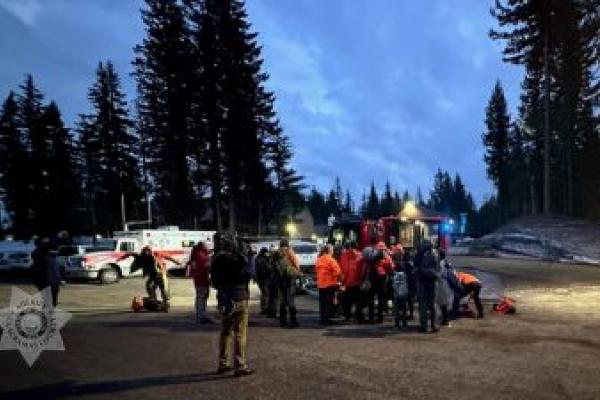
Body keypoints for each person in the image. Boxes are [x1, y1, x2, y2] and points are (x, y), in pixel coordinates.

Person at [211, 233, 254, 377]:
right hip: (239, 296)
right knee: (240, 333)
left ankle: (223, 363)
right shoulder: (239, 260)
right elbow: (247, 275)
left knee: (225, 331)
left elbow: (214, 282)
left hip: (224, 298)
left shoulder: (216, 260)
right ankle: (240, 365)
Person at [273, 240, 301, 328]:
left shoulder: (276, 254)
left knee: (282, 301)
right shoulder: (290, 252)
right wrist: (298, 272)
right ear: (287, 245)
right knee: (290, 301)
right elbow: (296, 264)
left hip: (280, 280)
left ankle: (283, 321)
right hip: (289, 280)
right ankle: (293, 321)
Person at [414, 241, 441, 333]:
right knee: (433, 304)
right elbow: (438, 267)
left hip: (421, 281)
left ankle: (424, 326)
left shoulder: (418, 255)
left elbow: (416, 267)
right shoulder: (435, 254)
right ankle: (435, 325)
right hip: (433, 281)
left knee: (423, 305)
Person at [315, 244, 342, 325]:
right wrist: (336, 279)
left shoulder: (319, 259)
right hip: (329, 284)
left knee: (322, 303)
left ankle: (322, 318)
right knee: (329, 302)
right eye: (332, 250)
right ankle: (327, 319)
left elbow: (316, 270)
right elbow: (338, 272)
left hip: (321, 284)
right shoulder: (331, 260)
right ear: (330, 251)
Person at [368, 242, 393, 324]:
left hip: (372, 277)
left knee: (371, 299)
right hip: (382, 278)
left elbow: (366, 265)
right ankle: (380, 318)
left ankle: (371, 318)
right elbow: (390, 267)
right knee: (381, 298)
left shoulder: (371, 255)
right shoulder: (387, 257)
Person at [339, 242, 364, 322]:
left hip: (347, 281)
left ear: (349, 246)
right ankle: (358, 316)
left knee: (347, 301)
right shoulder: (360, 255)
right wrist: (361, 279)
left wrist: (343, 280)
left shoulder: (343, 255)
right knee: (358, 301)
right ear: (357, 246)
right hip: (357, 281)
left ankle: (347, 316)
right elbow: (363, 268)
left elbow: (342, 268)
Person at [187, 242, 212, 323]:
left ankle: (199, 315)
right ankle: (202, 316)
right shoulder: (202, 256)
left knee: (199, 297)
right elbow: (207, 267)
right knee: (203, 298)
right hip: (203, 279)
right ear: (203, 247)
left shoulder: (195, 255)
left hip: (197, 280)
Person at [436, 250, 453, 327]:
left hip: (442, 284)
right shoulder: (445, 262)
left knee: (443, 303)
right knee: (444, 302)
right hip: (444, 283)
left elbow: (439, 274)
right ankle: (445, 319)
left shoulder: (441, 263)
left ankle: (445, 320)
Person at [391, 256, 409, 329]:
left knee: (397, 310)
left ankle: (397, 324)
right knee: (404, 310)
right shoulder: (405, 275)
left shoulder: (394, 276)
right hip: (404, 294)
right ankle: (404, 324)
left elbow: (393, 285)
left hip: (397, 294)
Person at [254, 248, 272, 315]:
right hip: (265, 278)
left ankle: (264, 308)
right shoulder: (264, 259)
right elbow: (268, 268)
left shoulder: (257, 258)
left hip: (260, 278)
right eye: (266, 252)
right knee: (266, 293)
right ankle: (265, 308)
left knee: (264, 293)